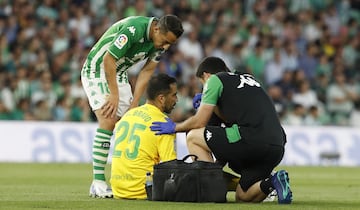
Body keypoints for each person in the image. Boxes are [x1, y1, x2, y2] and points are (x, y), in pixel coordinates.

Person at [150, 57, 292, 204]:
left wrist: (174, 127)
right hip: (276, 146)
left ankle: (209, 189)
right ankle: (274, 181)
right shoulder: (249, 79)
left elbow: (200, 121)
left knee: (193, 136)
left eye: (202, 84)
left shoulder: (214, 80)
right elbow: (228, 129)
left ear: (206, 75)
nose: (203, 89)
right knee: (243, 196)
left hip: (251, 140)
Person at [81, 15, 184, 198]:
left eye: (171, 44)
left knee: (126, 123)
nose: (165, 46)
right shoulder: (134, 29)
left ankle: (123, 177)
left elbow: (147, 71)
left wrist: (135, 102)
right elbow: (108, 59)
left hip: (118, 73)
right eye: (166, 41)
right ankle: (97, 182)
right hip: (97, 69)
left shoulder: (159, 44)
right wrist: (114, 95)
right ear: (156, 29)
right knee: (108, 118)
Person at [110, 73, 178, 199]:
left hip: (118, 190)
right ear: (161, 98)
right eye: (174, 95)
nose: (176, 100)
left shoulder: (128, 115)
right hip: (144, 191)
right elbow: (171, 167)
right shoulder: (162, 124)